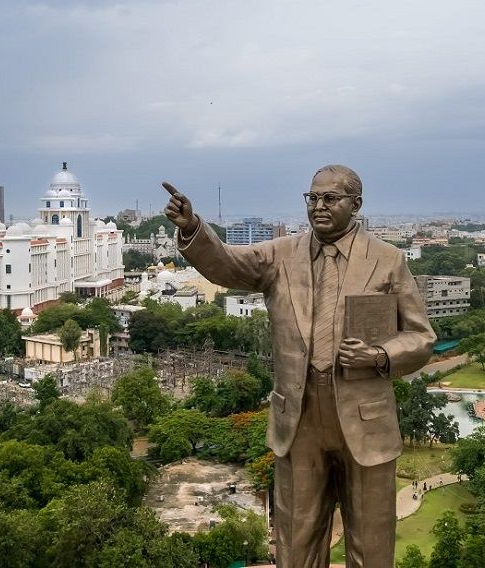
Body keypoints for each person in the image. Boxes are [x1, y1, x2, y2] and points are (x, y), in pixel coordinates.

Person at [162, 165, 436, 568]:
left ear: (355, 204)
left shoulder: (387, 260)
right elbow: (225, 264)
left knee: (372, 544)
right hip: (299, 416)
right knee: (296, 540)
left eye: (330, 199)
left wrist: (379, 356)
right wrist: (193, 229)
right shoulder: (279, 255)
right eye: (313, 198)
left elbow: (421, 337)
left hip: (365, 418)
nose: (319, 206)